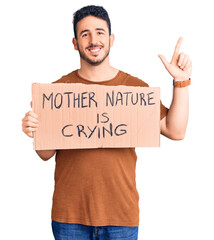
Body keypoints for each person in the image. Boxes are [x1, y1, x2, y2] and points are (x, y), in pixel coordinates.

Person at [22, 5, 192, 240]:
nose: (94, 40)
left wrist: (181, 82)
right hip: (69, 218)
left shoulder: (134, 90)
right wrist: (34, 129)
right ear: (75, 43)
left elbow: (176, 130)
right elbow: (45, 154)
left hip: (121, 216)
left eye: (100, 32)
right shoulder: (57, 92)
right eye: (85, 34)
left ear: (111, 39)